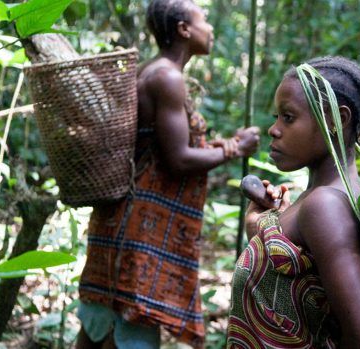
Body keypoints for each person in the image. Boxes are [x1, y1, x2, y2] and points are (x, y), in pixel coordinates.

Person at [76, 0, 260, 348]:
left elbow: (157, 149)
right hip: (139, 228)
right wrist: (234, 148)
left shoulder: (151, 70)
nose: (211, 28)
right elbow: (178, 159)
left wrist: (224, 143)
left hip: (122, 222)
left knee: (99, 328)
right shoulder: (167, 76)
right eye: (204, 20)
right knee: (127, 329)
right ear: (183, 30)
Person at [226, 56, 360, 348]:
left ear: (336, 120)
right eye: (277, 117)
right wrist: (263, 228)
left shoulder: (325, 206)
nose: (274, 129)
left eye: (288, 117)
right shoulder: (317, 199)